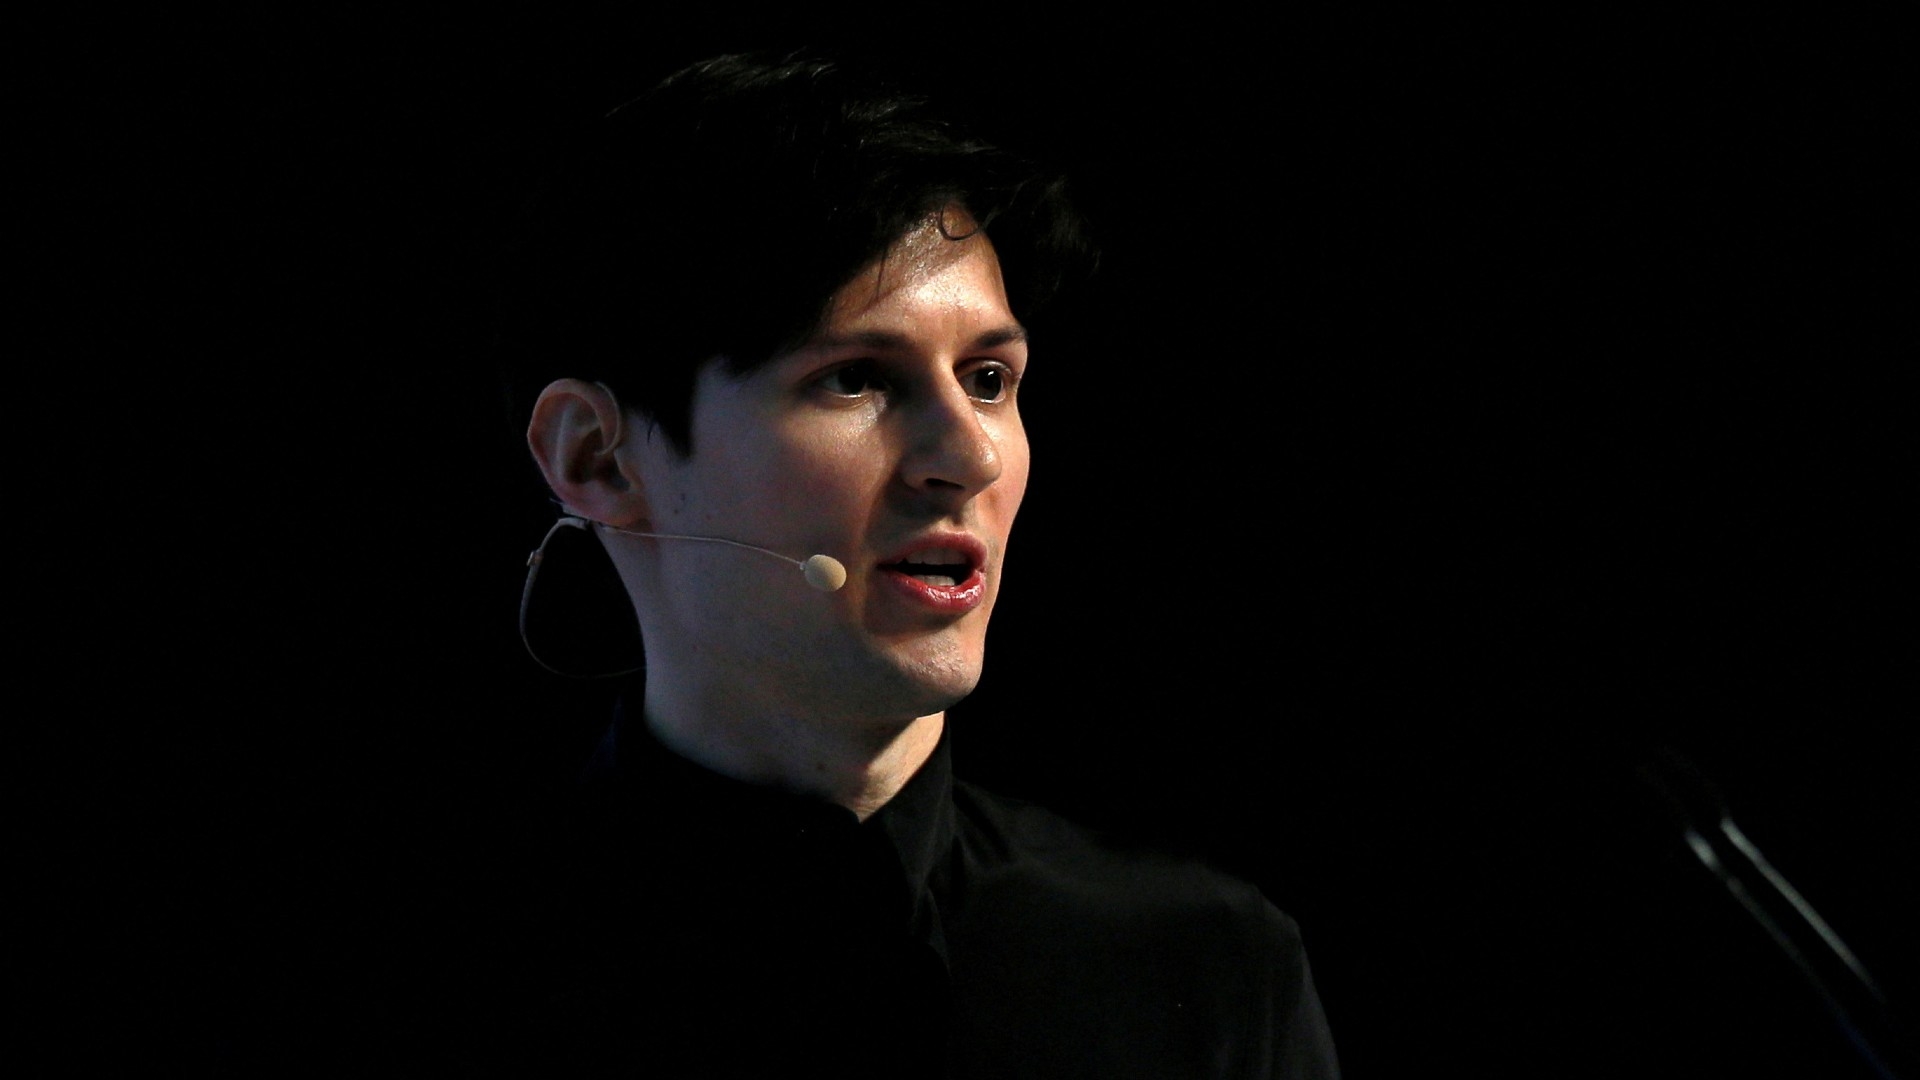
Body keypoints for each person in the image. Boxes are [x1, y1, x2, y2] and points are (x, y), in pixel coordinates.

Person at [496, 50, 1340, 1078]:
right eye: (857, 378)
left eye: (988, 379)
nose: (971, 455)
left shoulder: (1205, 965)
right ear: (594, 455)